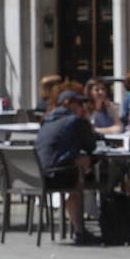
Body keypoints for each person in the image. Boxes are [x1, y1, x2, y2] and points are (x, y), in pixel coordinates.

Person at [34, 89, 102, 245]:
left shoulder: (48, 120)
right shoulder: (74, 121)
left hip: (39, 176)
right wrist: (85, 121)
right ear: (67, 104)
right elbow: (90, 146)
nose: (82, 107)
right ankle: (80, 231)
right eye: (79, 104)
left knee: (78, 164)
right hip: (56, 175)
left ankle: (79, 229)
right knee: (81, 166)